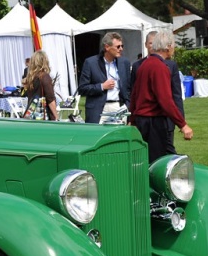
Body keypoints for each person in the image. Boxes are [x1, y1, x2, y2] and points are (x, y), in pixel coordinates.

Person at [129, 30, 193, 163]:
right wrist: (183, 124)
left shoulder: (144, 65)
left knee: (145, 159)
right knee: (158, 162)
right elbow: (165, 100)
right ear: (168, 46)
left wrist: (133, 119)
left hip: (142, 120)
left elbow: (135, 95)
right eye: (173, 46)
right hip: (153, 121)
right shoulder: (160, 67)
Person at [78, 32, 131, 123]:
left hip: (119, 107)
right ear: (107, 47)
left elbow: (129, 88)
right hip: (98, 109)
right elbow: (82, 88)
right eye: (118, 47)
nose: (121, 49)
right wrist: (102, 86)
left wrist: (127, 105)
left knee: (119, 137)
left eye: (122, 46)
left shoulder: (124, 63)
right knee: (96, 136)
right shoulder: (91, 63)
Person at [21, 50, 58, 120]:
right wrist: (56, 116)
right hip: (43, 115)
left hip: (31, 113)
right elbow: (50, 99)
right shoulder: (44, 77)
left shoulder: (30, 77)